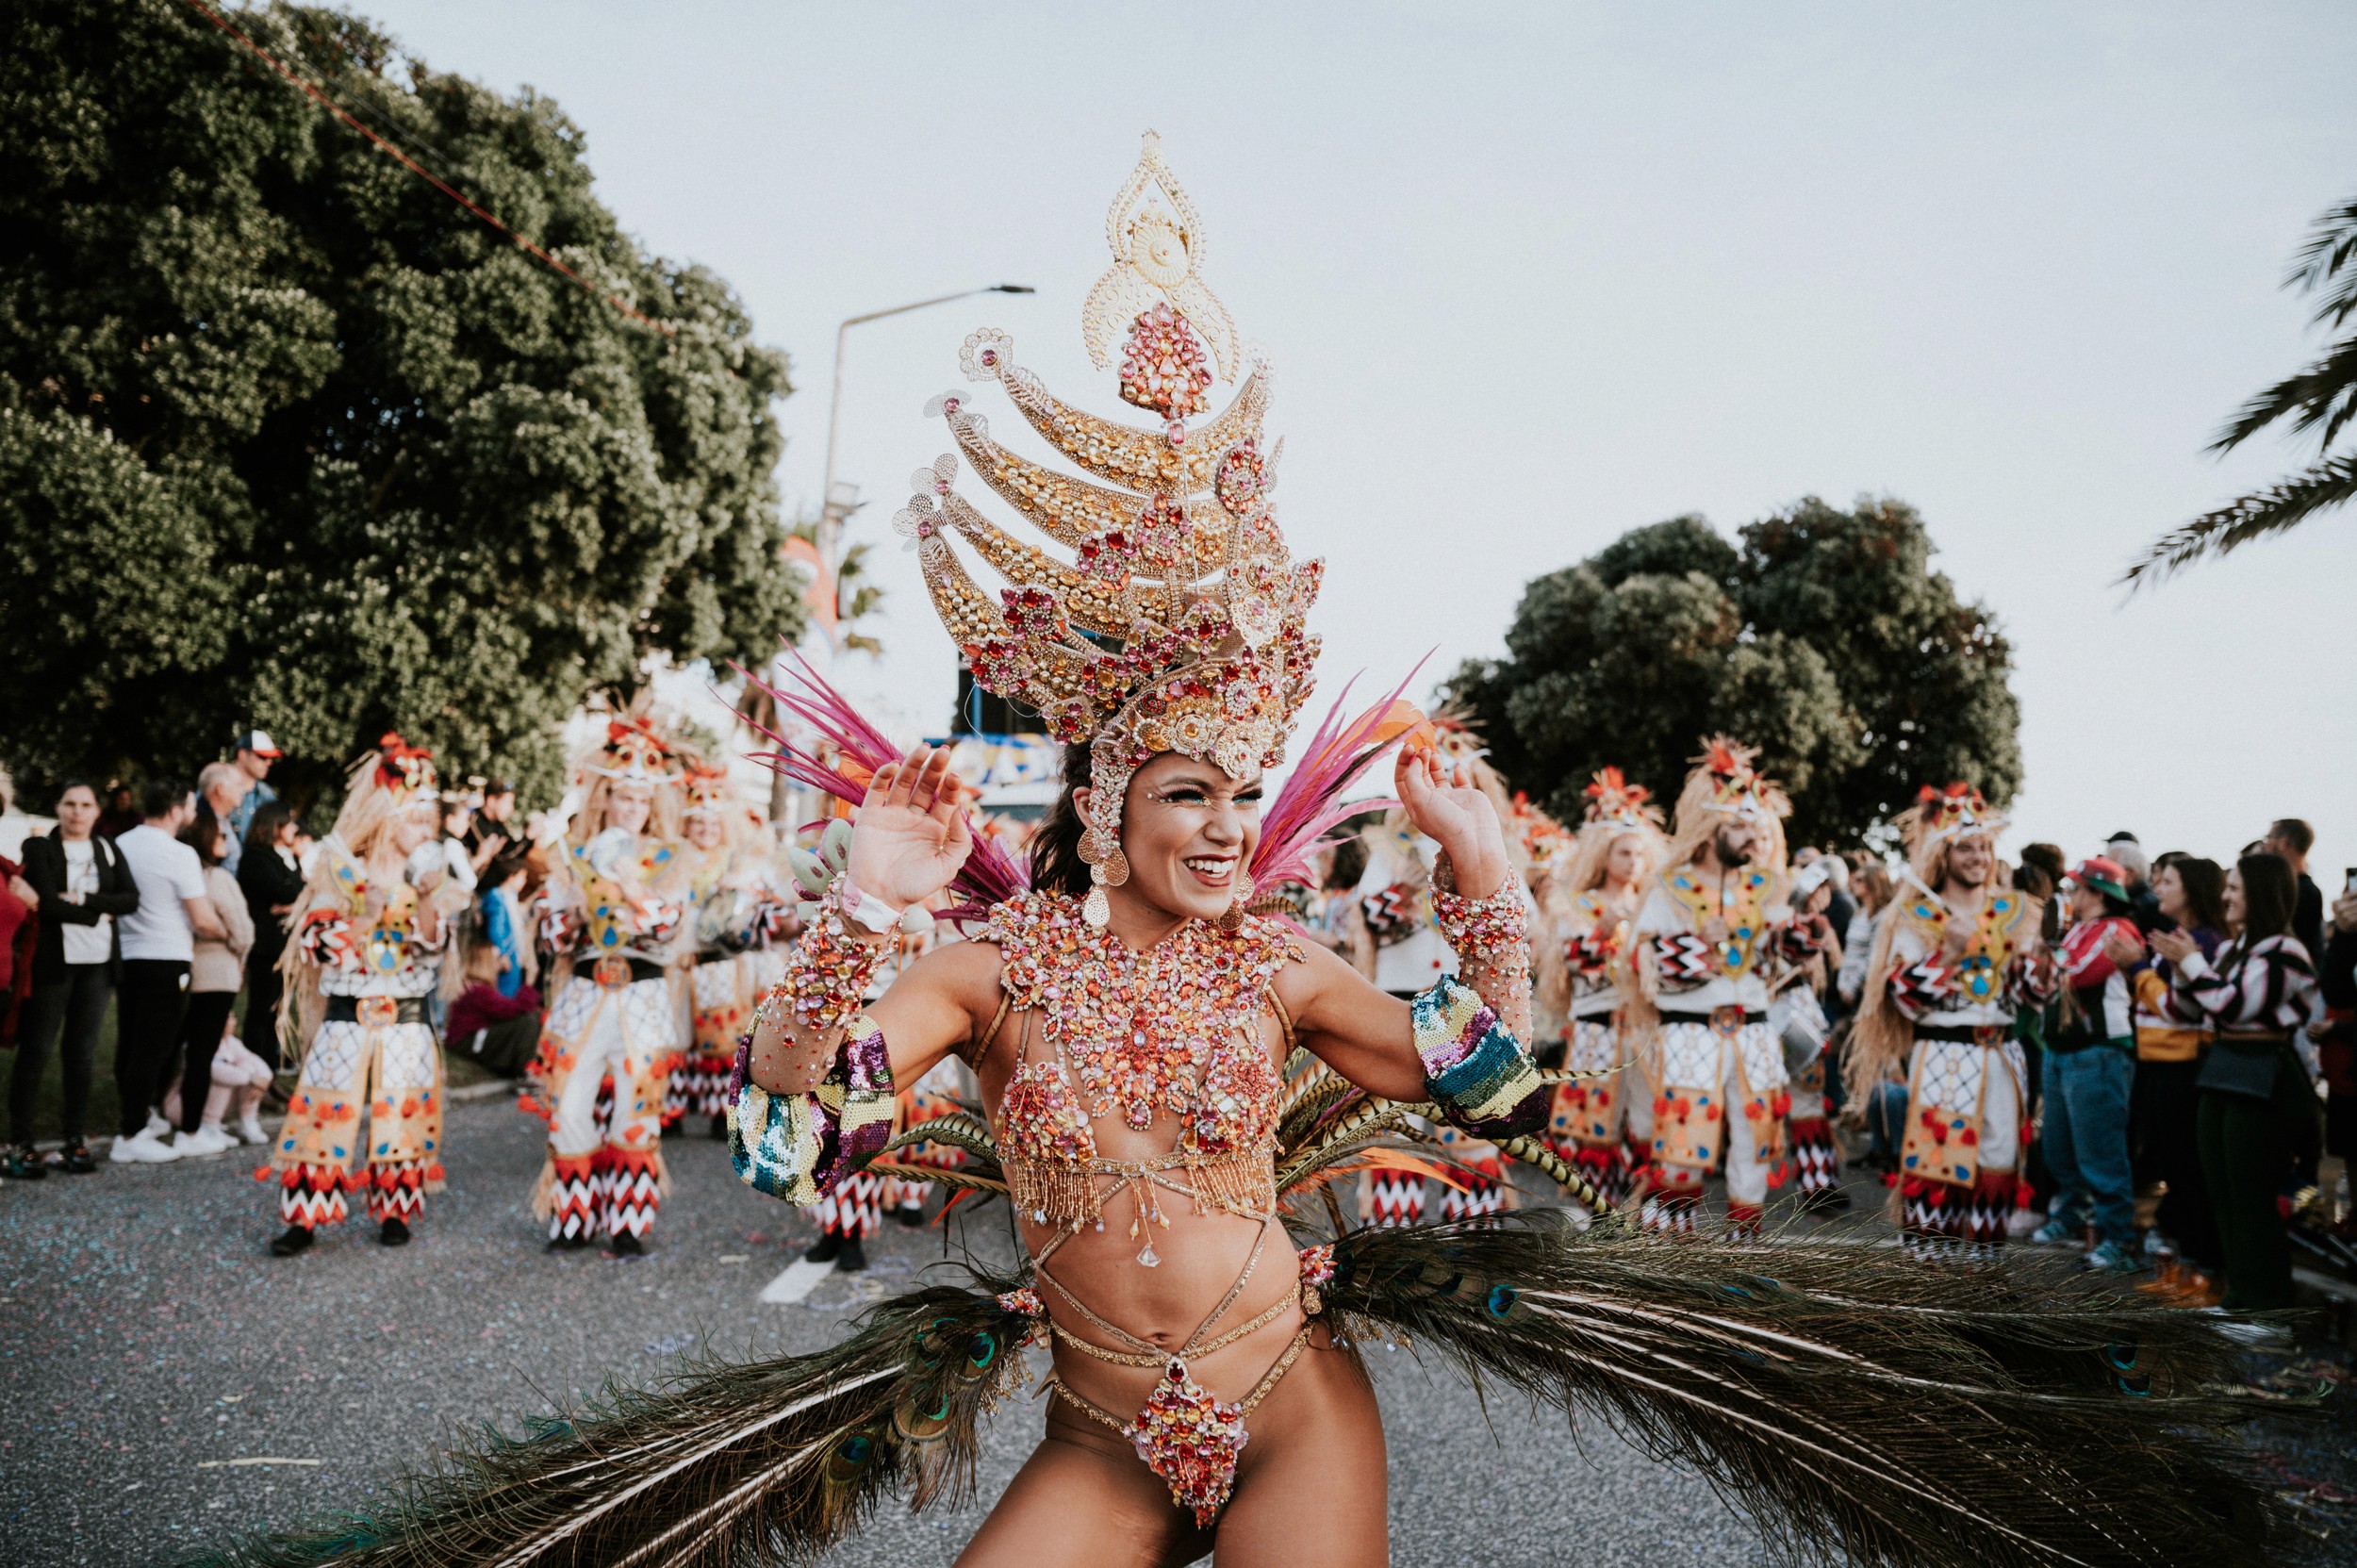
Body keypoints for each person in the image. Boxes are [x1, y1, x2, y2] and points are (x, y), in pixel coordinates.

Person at [221, 132, 2287, 1568]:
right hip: (1105, 1429)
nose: (1225, 826)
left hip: (1292, 1404)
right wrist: (860, 913)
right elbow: (785, 1129)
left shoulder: (1287, 965)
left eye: (1243, 791)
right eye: (1184, 794)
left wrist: (1487, 880)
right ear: (1100, 804)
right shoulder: (994, 970)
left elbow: (1508, 1095)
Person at [266, 735, 459, 1255]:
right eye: (417, 820)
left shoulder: (432, 880)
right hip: (347, 1015)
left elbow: (435, 948)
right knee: (323, 1111)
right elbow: (315, 943)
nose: (426, 831)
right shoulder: (338, 868)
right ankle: (304, 1218)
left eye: (430, 822)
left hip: (406, 1017)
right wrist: (367, 916)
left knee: (402, 1113)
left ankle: (395, 1210)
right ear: (388, 817)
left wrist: (425, 899)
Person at [1623, 738, 1817, 1238]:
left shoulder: (1768, 886)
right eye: (1741, 826)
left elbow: (1783, 961)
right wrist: (1698, 944)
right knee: (1682, 1147)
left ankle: (1741, 1252)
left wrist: (1804, 933)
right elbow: (1643, 963)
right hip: (1690, 1031)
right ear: (1710, 831)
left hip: (1754, 1030)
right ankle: (1667, 1254)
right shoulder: (1669, 887)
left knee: (1757, 1142)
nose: (1754, 836)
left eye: (1756, 826)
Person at [1849, 784, 2052, 1257]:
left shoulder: (2014, 911)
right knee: (1938, 1162)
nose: (1978, 856)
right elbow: (1904, 999)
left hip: (2003, 1053)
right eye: (1966, 847)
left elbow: (2028, 995)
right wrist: (1949, 954)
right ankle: (1930, 1276)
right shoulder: (1915, 915)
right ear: (1944, 853)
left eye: (1984, 847)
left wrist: (2041, 968)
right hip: (1944, 1051)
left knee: (1999, 1162)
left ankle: (1984, 1270)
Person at [521, 715, 693, 1255]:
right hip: (584, 996)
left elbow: (668, 928)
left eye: (642, 799)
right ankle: (573, 1220)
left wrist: (631, 887)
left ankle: (627, 1225)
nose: (632, 807)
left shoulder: (669, 858)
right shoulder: (571, 856)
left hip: (642, 1000)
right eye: (623, 797)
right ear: (606, 798)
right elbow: (550, 937)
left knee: (635, 1108)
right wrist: (573, 910)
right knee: (568, 1104)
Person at [2155, 851, 2321, 1312]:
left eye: (2234, 888)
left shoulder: (2285, 952)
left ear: (2260, 894)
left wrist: (2192, 963)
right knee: (2223, 1191)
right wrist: (2181, 969)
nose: (2224, 896)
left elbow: (2231, 1006)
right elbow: (2187, 1011)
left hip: (2263, 1071)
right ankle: (2240, 1296)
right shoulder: (2237, 947)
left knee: (2251, 1194)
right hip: (2224, 1067)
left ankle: (2268, 1307)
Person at [1537, 767, 1662, 1214]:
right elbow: (1572, 964)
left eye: (1639, 853)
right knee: (1592, 1125)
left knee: (1647, 1122)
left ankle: (1641, 1212)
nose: (1633, 862)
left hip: (1643, 1029)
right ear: (1604, 855)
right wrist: (1601, 934)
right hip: (1595, 1028)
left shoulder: (1653, 905)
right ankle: (1592, 1214)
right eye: (1624, 852)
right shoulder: (1578, 904)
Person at [8, 782, 140, 1179]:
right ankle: (21, 1143)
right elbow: (48, 904)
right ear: (58, 808)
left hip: (97, 965)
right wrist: (100, 912)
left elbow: (130, 899)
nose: (77, 812)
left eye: (85, 805)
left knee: (81, 1054)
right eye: (70, 804)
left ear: (97, 810)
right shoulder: (40, 848)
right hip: (54, 964)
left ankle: (74, 1139)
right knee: (36, 1050)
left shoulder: (107, 848)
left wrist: (82, 901)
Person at [2116, 854, 2227, 1293]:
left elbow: (2178, 1010)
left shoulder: (2205, 942)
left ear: (2192, 891)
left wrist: (2137, 967)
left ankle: (2202, 1268)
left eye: (2168, 882)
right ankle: (2186, 1264)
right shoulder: (2181, 937)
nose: (2157, 889)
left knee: (2187, 1169)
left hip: (2184, 1065)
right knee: (2173, 1166)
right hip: (2160, 1061)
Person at [2036, 856, 2143, 1272]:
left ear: (2097, 893)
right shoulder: (2077, 929)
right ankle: (2072, 1216)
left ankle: (2119, 1238)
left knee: (2100, 1151)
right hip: (2061, 1049)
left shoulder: (2119, 929)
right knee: (2058, 1147)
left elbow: (2077, 973)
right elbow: (2041, 982)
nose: (2069, 895)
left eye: (2077, 888)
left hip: (2099, 1051)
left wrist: (2049, 949)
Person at [112, 779, 227, 1164]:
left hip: (128, 955)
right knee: (154, 1048)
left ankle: (136, 1120)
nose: (194, 813)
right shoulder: (179, 853)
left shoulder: (121, 844)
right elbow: (202, 918)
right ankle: (131, 1133)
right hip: (167, 957)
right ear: (176, 811)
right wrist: (227, 931)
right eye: (191, 806)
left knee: (130, 1043)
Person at [173, 809, 254, 1152]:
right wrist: (237, 944)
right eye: (221, 835)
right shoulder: (217, 878)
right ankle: (193, 1128)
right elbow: (243, 929)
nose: (226, 840)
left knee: (183, 1049)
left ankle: (192, 1121)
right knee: (204, 1053)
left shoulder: (180, 874)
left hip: (184, 968)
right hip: (217, 973)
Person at [238, 803, 305, 1076]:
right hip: (266, 945)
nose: (295, 829)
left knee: (276, 1009)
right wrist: (295, 898)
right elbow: (285, 891)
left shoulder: (284, 857)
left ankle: (269, 1069)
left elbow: (301, 889)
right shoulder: (256, 857)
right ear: (275, 826)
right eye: (289, 823)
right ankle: (256, 1068)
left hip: (282, 945)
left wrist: (294, 902)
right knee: (261, 1009)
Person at [2263, 817, 2324, 966]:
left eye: (2268, 838)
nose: (2265, 844)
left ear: (2283, 843)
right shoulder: (2307, 890)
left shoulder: (2303, 892)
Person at [194, 760, 255, 877]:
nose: (242, 791)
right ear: (220, 789)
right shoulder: (204, 826)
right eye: (238, 785)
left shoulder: (224, 821)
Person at [223, 730, 281, 850]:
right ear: (242, 754)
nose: (269, 763)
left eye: (271, 758)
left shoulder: (267, 796)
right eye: (263, 757)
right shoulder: (216, 784)